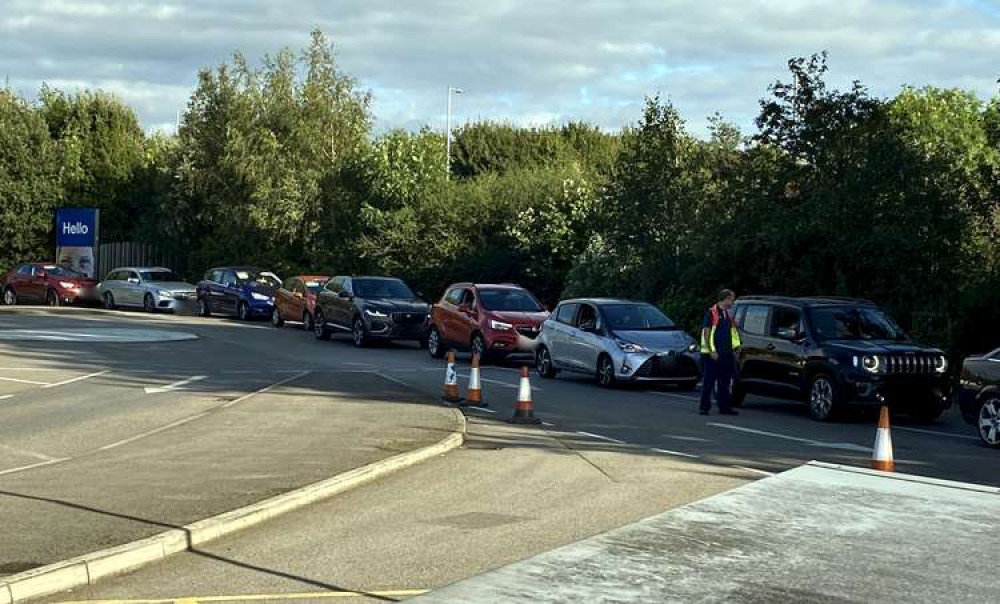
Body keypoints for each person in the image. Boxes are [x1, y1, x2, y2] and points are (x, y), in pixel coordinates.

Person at [699, 289, 741, 416]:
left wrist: (736, 347)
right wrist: (712, 350)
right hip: (714, 354)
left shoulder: (726, 314)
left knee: (725, 382)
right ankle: (704, 407)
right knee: (709, 381)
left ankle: (724, 407)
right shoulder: (712, 312)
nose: (732, 302)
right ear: (726, 298)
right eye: (732, 299)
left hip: (726, 353)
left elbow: (732, 333)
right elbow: (706, 332)